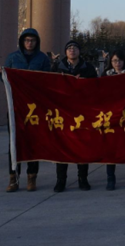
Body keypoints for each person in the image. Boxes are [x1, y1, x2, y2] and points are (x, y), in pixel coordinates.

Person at [0, 28, 51, 193]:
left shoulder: (42, 58)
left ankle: (31, 177)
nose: (29, 43)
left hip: (35, 107)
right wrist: (1, 73)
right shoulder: (13, 57)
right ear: (22, 41)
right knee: (14, 143)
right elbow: (5, 79)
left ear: (37, 42)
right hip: (16, 107)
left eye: (32, 40)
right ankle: (13, 179)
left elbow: (48, 79)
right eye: (26, 40)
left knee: (34, 143)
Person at [51, 39, 98, 193]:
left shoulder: (88, 68)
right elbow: (49, 88)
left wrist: (83, 84)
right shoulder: (57, 68)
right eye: (69, 48)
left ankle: (82, 179)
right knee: (61, 147)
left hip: (82, 113)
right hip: (62, 113)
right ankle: (61, 180)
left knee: (82, 147)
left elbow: (97, 88)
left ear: (79, 52)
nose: (72, 50)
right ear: (65, 52)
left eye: (75, 48)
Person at [102, 49, 125, 190]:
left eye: (119, 60)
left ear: (124, 61)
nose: (117, 63)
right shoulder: (105, 75)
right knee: (111, 149)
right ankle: (110, 179)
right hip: (111, 116)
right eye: (114, 61)